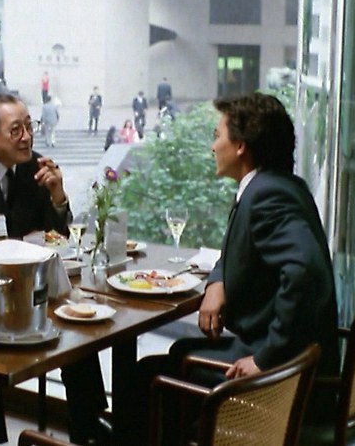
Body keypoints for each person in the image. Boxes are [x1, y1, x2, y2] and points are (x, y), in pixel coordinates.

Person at [135, 93, 340, 444]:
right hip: (300, 367)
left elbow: (305, 270)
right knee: (179, 353)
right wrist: (217, 282)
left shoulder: (264, 196)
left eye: (217, 136)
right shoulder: (278, 185)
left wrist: (265, 358)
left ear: (241, 146)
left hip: (285, 382)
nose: (212, 146)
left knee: (147, 376)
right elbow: (240, 252)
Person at [0, 93, 110, 445]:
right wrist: (29, 241)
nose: (27, 137)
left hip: (30, 287)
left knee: (75, 330)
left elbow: (56, 236)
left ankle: (89, 427)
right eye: (16, 130)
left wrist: (57, 196)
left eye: (29, 126)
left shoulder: (34, 166)